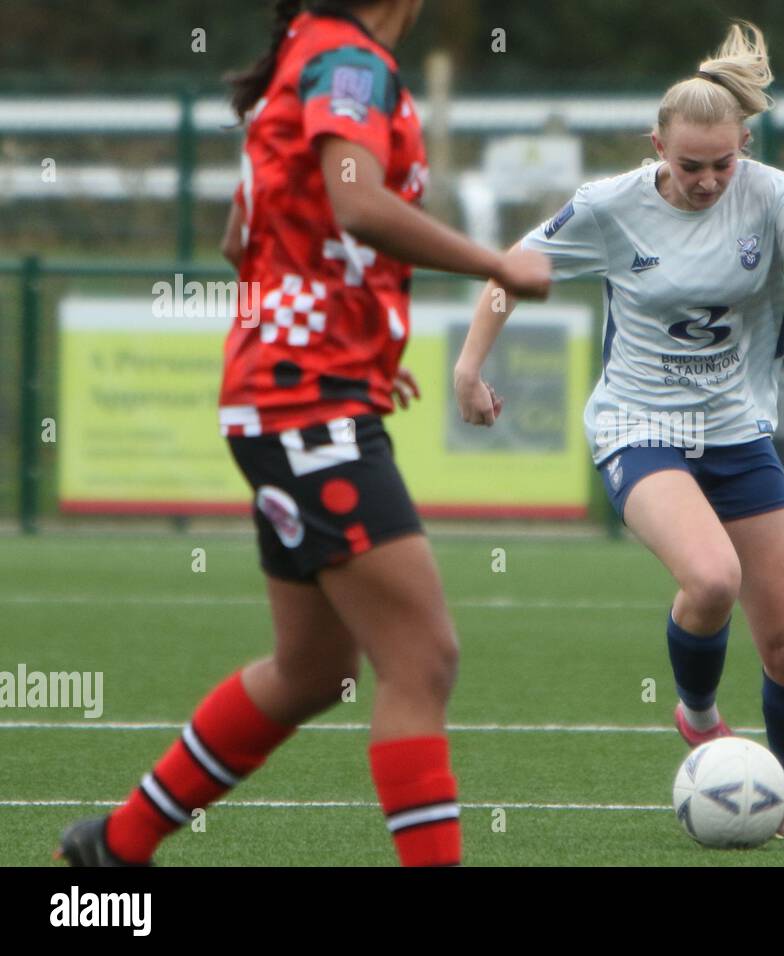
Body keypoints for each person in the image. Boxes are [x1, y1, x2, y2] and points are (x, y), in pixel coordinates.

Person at [56, 0, 550, 867]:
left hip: (300, 389)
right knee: (422, 659)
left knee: (314, 672)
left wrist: (350, 337)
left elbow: (237, 237)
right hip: (303, 402)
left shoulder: (309, 53)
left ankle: (115, 847)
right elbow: (355, 205)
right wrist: (495, 262)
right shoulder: (349, 64)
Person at [454, 21, 784, 842]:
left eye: (723, 163)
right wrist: (470, 371)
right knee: (712, 578)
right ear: (657, 146)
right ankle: (697, 712)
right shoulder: (612, 206)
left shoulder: (775, 194)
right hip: (638, 426)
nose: (708, 181)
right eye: (689, 166)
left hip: (739, 434)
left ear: (744, 144)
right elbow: (511, 269)